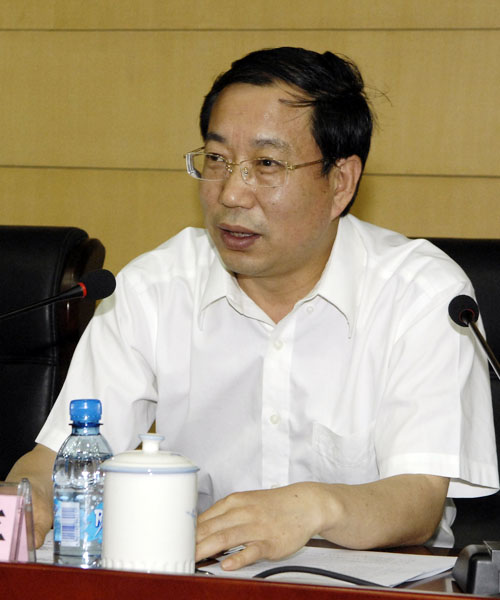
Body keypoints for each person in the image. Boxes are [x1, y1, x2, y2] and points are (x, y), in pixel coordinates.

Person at [7, 47, 498, 571]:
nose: (232, 193)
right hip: (205, 580)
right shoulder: (155, 287)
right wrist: (20, 504)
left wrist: (313, 507)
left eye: (266, 164)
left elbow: (418, 500)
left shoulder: (422, 294)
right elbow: (58, 460)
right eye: (216, 159)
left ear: (341, 182)